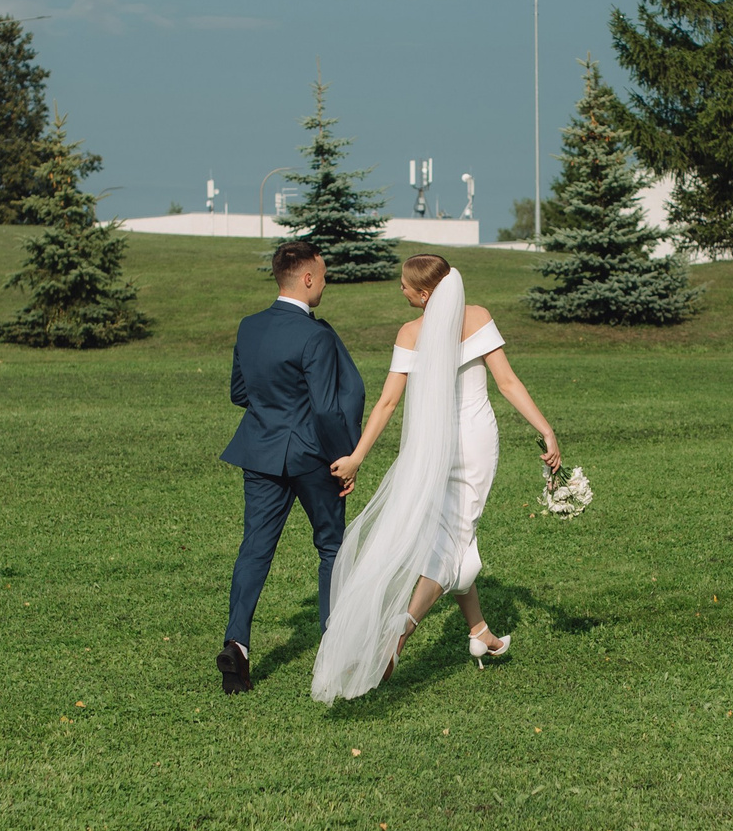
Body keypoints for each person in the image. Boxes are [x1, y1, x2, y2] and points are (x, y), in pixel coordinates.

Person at [311, 254, 561, 702]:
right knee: (452, 540)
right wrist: (545, 429)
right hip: (475, 443)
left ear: (425, 294)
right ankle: (400, 634)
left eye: (406, 287)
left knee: (452, 534)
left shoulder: (410, 333)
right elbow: (507, 383)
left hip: (431, 447)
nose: (401, 292)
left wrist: (356, 458)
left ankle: (479, 631)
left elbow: (387, 404)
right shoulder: (478, 317)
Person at [218, 241, 364, 695]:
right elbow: (325, 409)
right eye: (322, 275)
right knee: (331, 548)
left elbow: (239, 392)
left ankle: (237, 644)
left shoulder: (249, 326)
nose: (325, 282)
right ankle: (332, 647)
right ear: (305, 278)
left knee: (255, 548)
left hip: (259, 452)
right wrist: (346, 459)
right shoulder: (316, 336)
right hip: (311, 455)